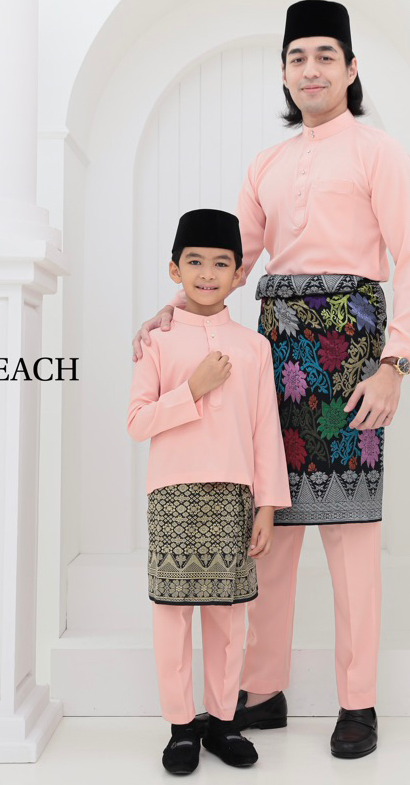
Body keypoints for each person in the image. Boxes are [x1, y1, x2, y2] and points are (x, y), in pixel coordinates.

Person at [132, 0, 410, 760]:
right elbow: (231, 262)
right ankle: (262, 689)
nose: (311, 69)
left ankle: (358, 701)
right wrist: (174, 311)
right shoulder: (265, 164)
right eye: (298, 56)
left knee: (352, 535)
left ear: (351, 69)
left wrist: (396, 363)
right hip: (277, 353)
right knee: (268, 525)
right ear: (284, 71)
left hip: (353, 354)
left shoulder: (380, 153)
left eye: (326, 55)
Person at [126, 208, 292, 774]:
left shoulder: (253, 347)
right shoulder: (157, 340)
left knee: (229, 615)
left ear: (238, 273)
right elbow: (136, 421)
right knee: (172, 616)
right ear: (174, 269)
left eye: (221, 263)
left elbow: (265, 429)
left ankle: (222, 722)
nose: (207, 273)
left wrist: (267, 507)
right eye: (194, 262)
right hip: (173, 494)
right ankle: (180, 728)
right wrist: (191, 391)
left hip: (234, 495)